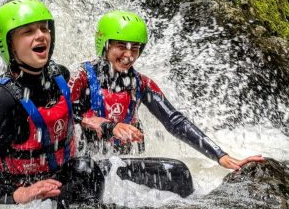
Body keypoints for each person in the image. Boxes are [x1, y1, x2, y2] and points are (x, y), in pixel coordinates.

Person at [69, 10, 264, 187]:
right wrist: (108, 126)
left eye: (135, 48)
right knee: (87, 171)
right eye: (121, 47)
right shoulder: (83, 76)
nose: (129, 56)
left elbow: (175, 121)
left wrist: (221, 156)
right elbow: (67, 114)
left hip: (121, 165)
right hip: (88, 167)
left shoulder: (141, 84)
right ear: (105, 44)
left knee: (179, 174)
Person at [0, 0, 104, 207]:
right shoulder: (4, 98)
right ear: (10, 45)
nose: (41, 35)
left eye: (44, 28)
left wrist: (91, 120)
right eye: (28, 32)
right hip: (25, 202)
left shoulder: (59, 75)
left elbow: (65, 112)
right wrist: (20, 194)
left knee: (88, 171)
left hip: (59, 181)